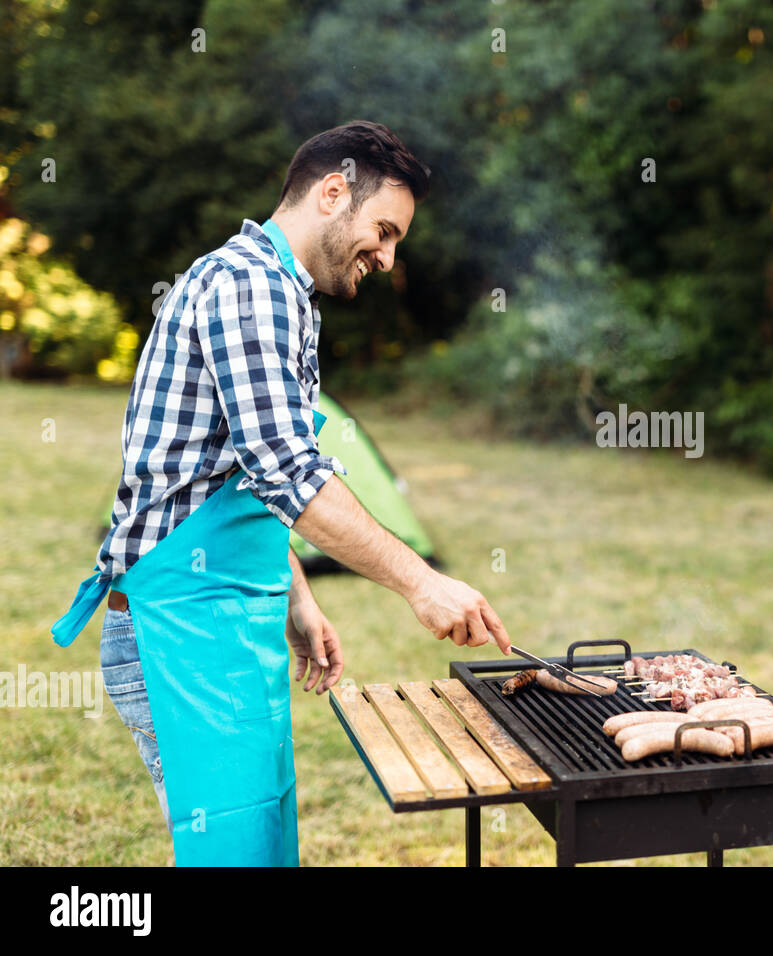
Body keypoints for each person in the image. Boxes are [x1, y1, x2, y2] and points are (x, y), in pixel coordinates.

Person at [51, 120, 511, 866]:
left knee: (262, 844)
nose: (389, 258)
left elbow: (241, 468)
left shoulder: (284, 296)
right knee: (233, 854)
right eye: (385, 231)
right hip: (180, 629)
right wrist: (420, 582)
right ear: (334, 192)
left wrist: (294, 595)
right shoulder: (246, 288)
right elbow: (292, 473)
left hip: (229, 617)